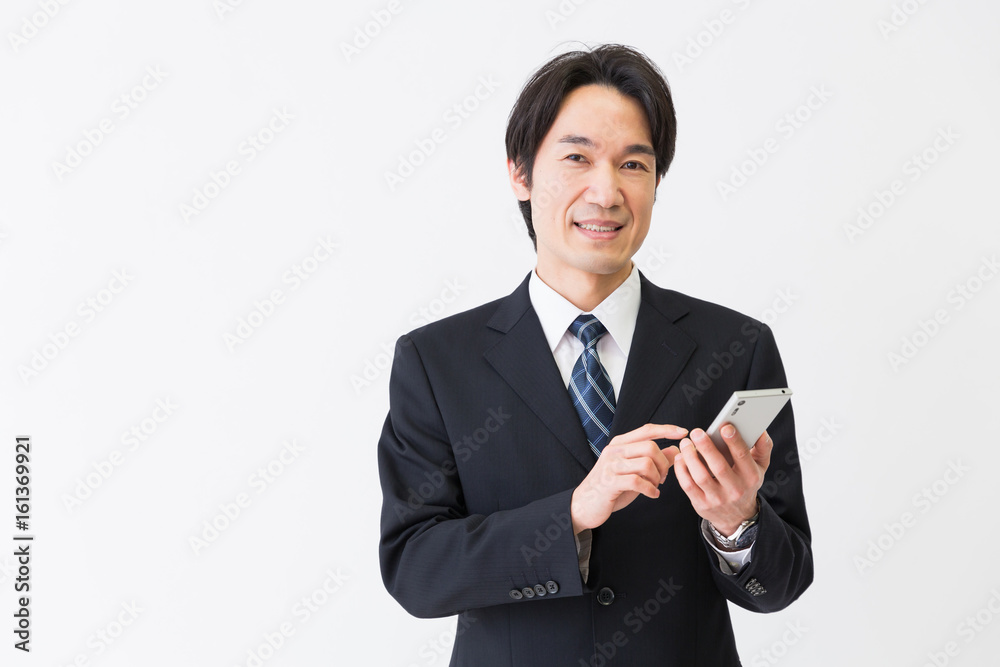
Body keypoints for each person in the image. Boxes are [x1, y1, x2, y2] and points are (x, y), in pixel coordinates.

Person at [377, 43, 812, 666]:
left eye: (633, 164)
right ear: (520, 173)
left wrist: (737, 522)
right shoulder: (437, 362)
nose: (606, 192)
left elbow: (783, 584)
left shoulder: (737, 348)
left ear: (656, 183)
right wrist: (574, 512)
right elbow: (415, 570)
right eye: (577, 157)